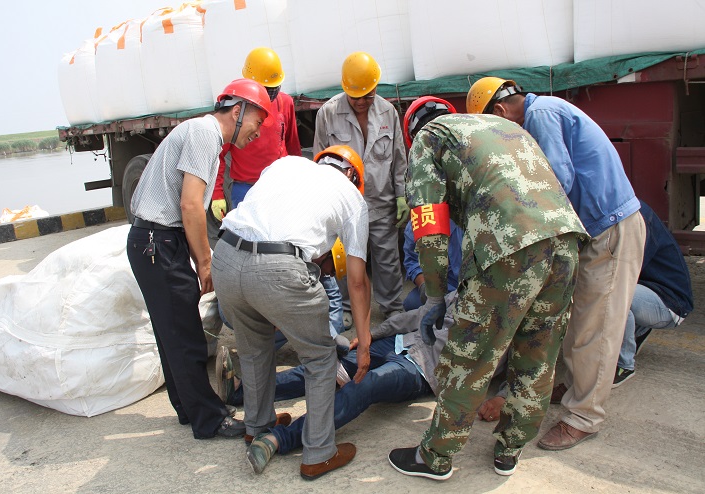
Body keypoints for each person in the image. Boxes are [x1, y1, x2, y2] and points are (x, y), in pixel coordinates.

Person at [388, 99, 588, 480]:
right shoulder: (503, 128)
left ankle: (435, 456)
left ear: (411, 132)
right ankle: (510, 450)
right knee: (538, 352)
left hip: (507, 245)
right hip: (564, 241)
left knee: (469, 355)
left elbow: (429, 226)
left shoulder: (427, 140)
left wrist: (434, 296)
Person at [467, 77, 646, 450]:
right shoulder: (542, 113)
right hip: (593, 231)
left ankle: (584, 417)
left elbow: (556, 184)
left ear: (499, 112)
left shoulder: (542, 115)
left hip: (609, 231)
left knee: (596, 328)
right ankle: (576, 388)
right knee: (577, 321)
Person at [211, 146, 371, 480]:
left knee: (254, 349)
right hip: (279, 266)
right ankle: (319, 453)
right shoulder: (352, 199)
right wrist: (365, 342)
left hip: (225, 256)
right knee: (320, 358)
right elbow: (357, 283)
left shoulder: (286, 164)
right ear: (353, 177)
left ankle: (257, 428)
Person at [126, 79, 272, 440]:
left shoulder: (201, 134)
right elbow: (190, 204)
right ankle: (209, 420)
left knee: (172, 333)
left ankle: (188, 408)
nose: (258, 131)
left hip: (154, 241)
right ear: (237, 112)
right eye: (257, 121)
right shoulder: (205, 134)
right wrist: (205, 263)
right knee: (185, 335)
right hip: (158, 242)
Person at [216, 292, 461, 475]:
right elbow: (418, 316)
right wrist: (371, 335)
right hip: (399, 343)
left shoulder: (487, 314)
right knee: (328, 369)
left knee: (364, 385)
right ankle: (240, 391)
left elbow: (485, 370)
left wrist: (487, 398)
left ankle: (279, 439)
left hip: (421, 369)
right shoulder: (462, 289)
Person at [313, 51, 408, 323]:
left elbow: (398, 158)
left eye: (368, 95)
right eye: (356, 96)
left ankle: (392, 308)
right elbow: (319, 160)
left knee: (387, 259)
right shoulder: (328, 113)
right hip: (344, 206)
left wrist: (402, 196)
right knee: (344, 259)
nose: (362, 102)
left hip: (381, 201)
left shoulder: (388, 111)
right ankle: (346, 308)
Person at [210, 47, 301, 219]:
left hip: (280, 187)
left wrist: (299, 178)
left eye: (273, 89)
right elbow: (218, 155)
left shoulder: (285, 103)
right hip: (246, 190)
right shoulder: (236, 112)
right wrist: (217, 194)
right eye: (265, 89)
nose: (269, 95)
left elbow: (293, 146)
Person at [614, 201, 694, 387]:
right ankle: (639, 329)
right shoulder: (627, 208)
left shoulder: (636, 217)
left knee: (613, 295)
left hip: (670, 303)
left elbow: (623, 271)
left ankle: (624, 365)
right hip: (655, 294)